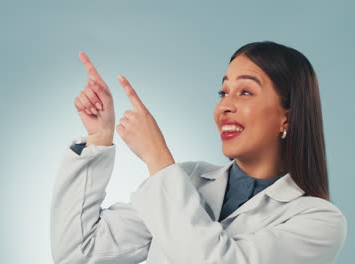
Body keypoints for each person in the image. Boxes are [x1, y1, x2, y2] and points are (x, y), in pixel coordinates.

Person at [50, 41, 347, 264]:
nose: (224, 106)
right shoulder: (189, 179)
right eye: (223, 92)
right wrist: (99, 137)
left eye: (245, 92)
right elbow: (78, 251)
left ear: (288, 117)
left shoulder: (318, 222)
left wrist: (157, 157)